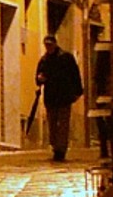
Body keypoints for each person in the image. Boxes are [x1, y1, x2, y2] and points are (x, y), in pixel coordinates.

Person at [34, 29, 84, 160]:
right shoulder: (44, 60)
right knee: (52, 125)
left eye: (50, 44)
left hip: (64, 96)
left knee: (63, 124)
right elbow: (38, 78)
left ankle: (61, 150)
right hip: (51, 97)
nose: (48, 47)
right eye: (46, 45)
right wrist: (40, 79)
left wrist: (77, 91)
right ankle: (56, 146)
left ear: (55, 44)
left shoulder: (66, 58)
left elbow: (75, 74)